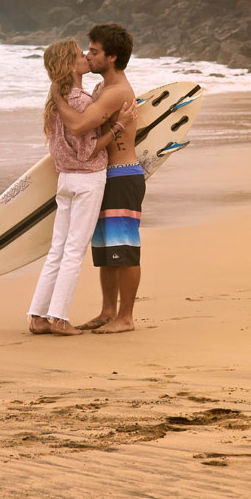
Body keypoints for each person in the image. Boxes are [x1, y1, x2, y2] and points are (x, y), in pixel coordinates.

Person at [26, 39, 123, 335]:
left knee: (58, 249)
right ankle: (59, 318)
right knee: (74, 251)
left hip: (66, 180)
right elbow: (88, 151)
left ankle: (38, 317)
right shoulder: (81, 102)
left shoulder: (56, 100)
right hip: (88, 180)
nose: (86, 57)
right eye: (80, 54)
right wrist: (117, 128)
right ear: (69, 65)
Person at [60, 23, 141, 333]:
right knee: (107, 250)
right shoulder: (101, 89)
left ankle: (126, 317)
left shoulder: (116, 93)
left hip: (122, 176)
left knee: (125, 248)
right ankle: (108, 312)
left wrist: (56, 96)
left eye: (94, 52)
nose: (87, 56)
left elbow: (80, 127)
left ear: (112, 57)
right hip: (105, 176)